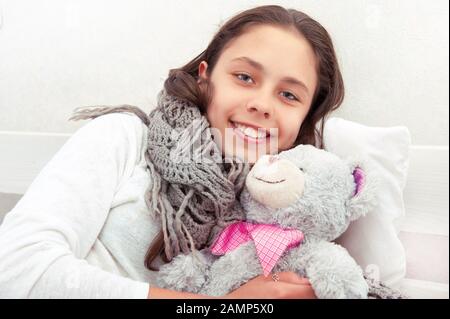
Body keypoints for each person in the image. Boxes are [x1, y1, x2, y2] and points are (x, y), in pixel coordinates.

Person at [0, 5, 344, 299]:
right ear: (205, 77)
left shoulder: (288, 206)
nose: (262, 104)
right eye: (244, 77)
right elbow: (15, 269)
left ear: (304, 117)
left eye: (289, 96)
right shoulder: (126, 136)